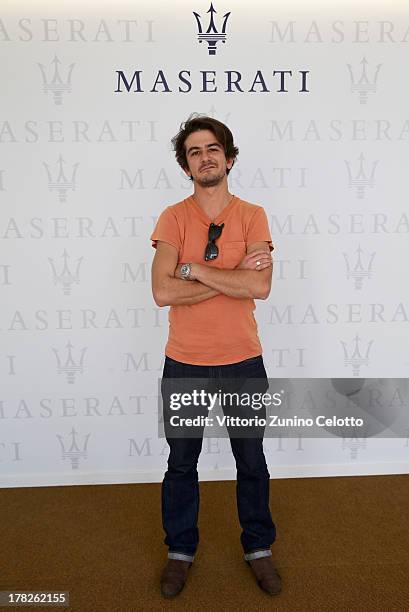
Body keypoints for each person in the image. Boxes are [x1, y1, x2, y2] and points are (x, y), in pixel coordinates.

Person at [150, 114, 281, 598]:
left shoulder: (253, 215)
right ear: (186, 166)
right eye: (193, 152)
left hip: (243, 360)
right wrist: (227, 274)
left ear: (228, 157)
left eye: (211, 150)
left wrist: (194, 271)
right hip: (184, 360)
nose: (204, 158)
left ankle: (259, 548)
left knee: (252, 458)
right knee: (181, 462)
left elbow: (260, 285)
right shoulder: (172, 217)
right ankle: (179, 552)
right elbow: (162, 292)